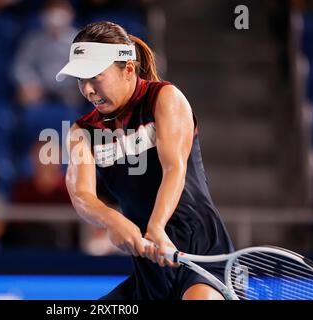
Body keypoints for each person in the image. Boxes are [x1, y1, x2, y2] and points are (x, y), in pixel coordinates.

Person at [57, 21, 234, 300]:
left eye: (96, 76)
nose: (88, 89)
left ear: (128, 69)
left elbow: (174, 168)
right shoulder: (83, 131)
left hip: (201, 252)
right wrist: (112, 219)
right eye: (81, 79)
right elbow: (81, 194)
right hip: (149, 262)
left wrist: (156, 227)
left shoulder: (165, 98)